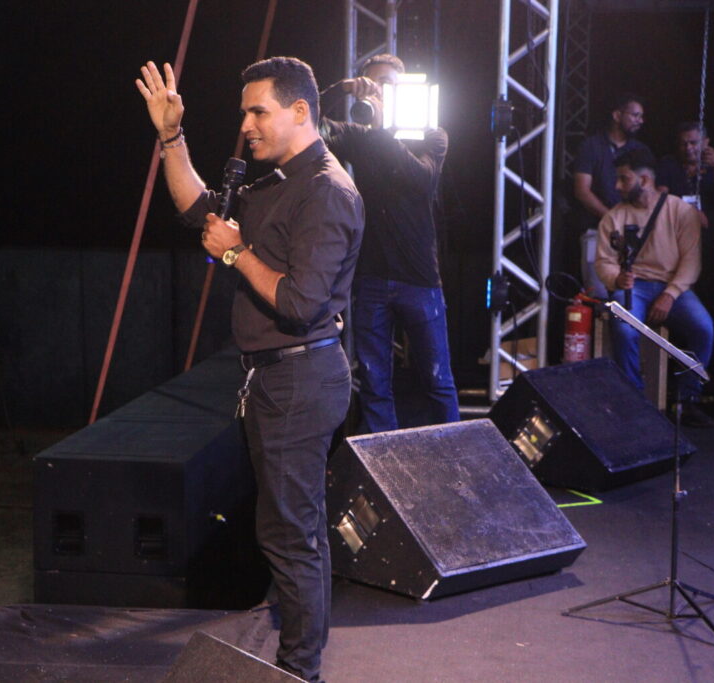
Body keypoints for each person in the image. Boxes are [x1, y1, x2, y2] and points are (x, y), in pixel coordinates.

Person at [136, 56, 364, 682]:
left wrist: (236, 253)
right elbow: (200, 211)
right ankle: (294, 655)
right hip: (276, 378)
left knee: (291, 536)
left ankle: (299, 671)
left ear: (300, 110)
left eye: (258, 111)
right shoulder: (281, 182)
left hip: (300, 379)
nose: (246, 125)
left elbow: (301, 302)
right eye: (244, 112)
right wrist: (171, 136)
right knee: (290, 530)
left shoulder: (326, 190)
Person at [318, 54, 459, 432]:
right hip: (372, 276)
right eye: (373, 84)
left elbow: (421, 180)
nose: (380, 92)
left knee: (437, 380)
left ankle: (453, 456)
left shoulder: (431, 135)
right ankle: (383, 459)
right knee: (374, 382)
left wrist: (382, 131)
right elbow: (309, 125)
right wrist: (341, 89)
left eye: (388, 85)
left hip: (419, 278)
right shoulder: (360, 135)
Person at [594, 149, 714, 427]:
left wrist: (670, 295)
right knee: (625, 329)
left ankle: (687, 399)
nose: (617, 186)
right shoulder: (613, 218)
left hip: (673, 286)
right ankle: (636, 400)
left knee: (703, 328)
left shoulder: (680, 212)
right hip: (633, 286)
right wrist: (616, 279)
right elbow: (604, 261)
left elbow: (691, 261)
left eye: (624, 179)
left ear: (645, 180)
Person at [573, 93, 651, 298]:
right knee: (598, 294)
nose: (640, 121)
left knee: (631, 295)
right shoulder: (591, 146)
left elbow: (649, 192)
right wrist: (611, 219)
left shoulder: (640, 150)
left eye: (641, 116)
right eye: (635, 115)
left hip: (633, 234)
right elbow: (582, 190)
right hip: (596, 230)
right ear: (617, 115)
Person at [656, 121, 714, 229]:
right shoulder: (668, 163)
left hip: (711, 225)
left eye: (693, 143)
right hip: (677, 222)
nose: (688, 148)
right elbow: (660, 200)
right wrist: (689, 212)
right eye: (683, 144)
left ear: (705, 142)